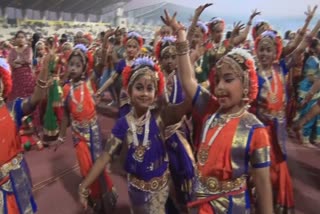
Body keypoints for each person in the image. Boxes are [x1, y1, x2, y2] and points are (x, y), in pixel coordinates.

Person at [161, 9, 273, 214]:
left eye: (228, 80)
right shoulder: (211, 108)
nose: (220, 86)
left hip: (232, 207)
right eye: (217, 80)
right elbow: (187, 80)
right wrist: (180, 35)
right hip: (199, 202)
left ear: (247, 83)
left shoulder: (255, 129)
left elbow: (263, 185)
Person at [79, 56, 193, 214]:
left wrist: (183, 51)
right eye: (139, 88)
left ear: (155, 92)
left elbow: (189, 101)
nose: (145, 93)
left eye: (149, 89)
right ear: (129, 91)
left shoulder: (161, 117)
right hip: (135, 191)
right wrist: (84, 185)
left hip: (160, 191)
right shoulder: (123, 124)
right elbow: (105, 156)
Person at [56, 45, 116, 213]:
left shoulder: (90, 82)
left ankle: (105, 196)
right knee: (85, 167)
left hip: (94, 133)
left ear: (84, 68)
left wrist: (104, 42)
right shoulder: (66, 89)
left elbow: (101, 65)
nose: (73, 68)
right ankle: (94, 198)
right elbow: (66, 116)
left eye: (77, 65)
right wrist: (61, 136)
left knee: (97, 166)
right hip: (78, 136)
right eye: (71, 65)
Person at [0, 51, 49, 213]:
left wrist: (44, 71)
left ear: (3, 83)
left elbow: (35, 100)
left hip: (17, 178)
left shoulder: (12, 108)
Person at [295, 38, 320, 145]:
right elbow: (313, 78)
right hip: (307, 89)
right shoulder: (311, 60)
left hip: (312, 90)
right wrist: (308, 96)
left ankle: (301, 126)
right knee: (308, 109)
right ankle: (303, 131)